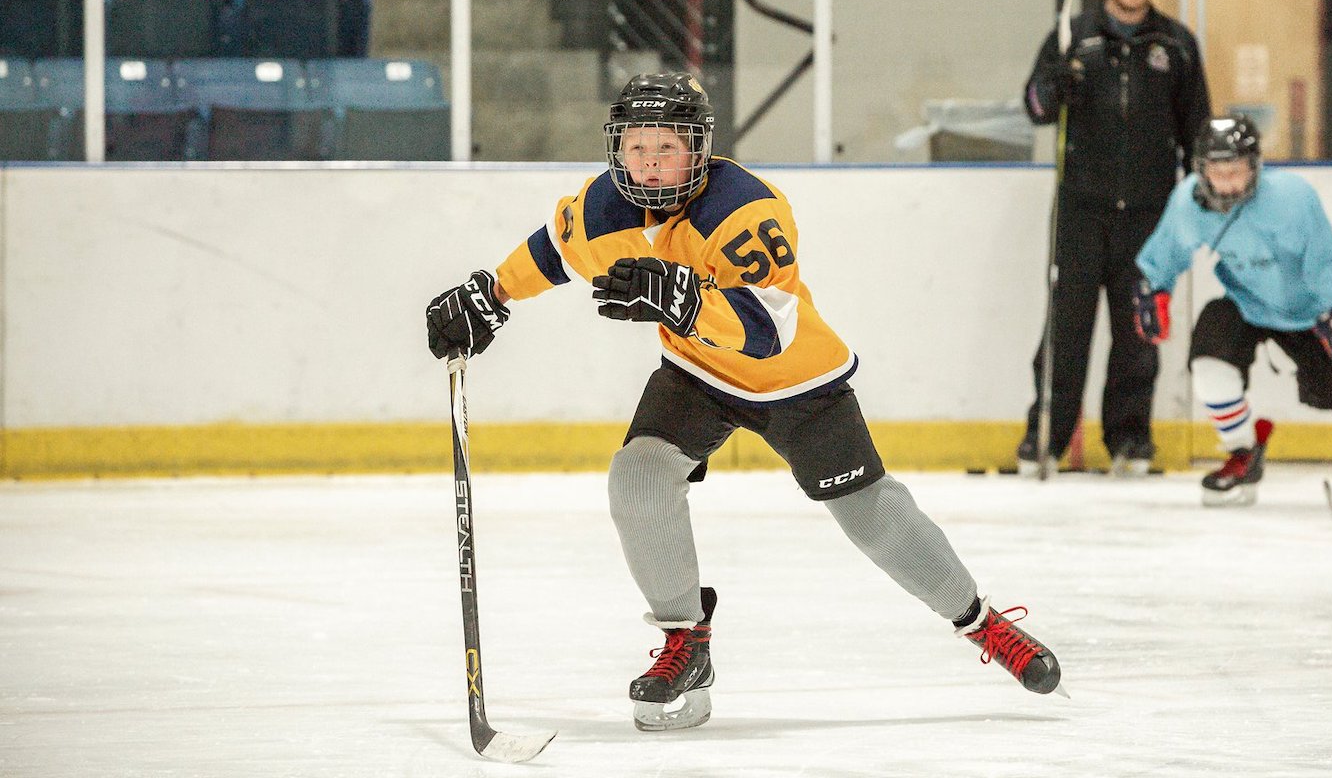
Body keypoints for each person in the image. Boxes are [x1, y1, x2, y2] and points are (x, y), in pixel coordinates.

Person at [424, 72, 1066, 732]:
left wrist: (689, 302)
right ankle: (685, 643)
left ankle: (982, 624)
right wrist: (490, 293)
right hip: (696, 376)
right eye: (636, 147)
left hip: (796, 382)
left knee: (874, 518)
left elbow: (767, 331)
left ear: (699, 150)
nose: (648, 164)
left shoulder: (745, 209)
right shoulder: (603, 208)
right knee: (638, 480)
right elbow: (555, 249)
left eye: (665, 148)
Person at [1017, 0, 1211, 477]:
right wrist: (1051, 88)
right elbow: (1033, 108)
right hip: (1081, 209)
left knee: (1137, 330)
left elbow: (1197, 129)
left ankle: (1130, 438)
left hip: (1150, 214)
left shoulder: (1176, 45)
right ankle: (1046, 436)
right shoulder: (1072, 37)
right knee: (1066, 327)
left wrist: (1195, 204)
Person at [1132, 115, 1332, 506]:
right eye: (1219, 172)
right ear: (1201, 170)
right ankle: (1242, 452)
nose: (1229, 182)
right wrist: (1153, 290)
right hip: (1246, 304)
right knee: (1208, 363)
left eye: (1237, 171)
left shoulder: (1292, 198)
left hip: (1307, 313)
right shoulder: (1188, 202)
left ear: (1255, 167)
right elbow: (1165, 253)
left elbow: (1326, 262)